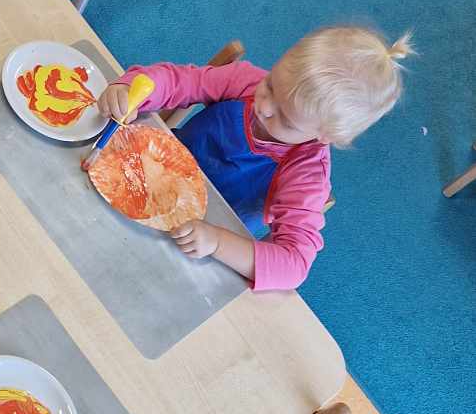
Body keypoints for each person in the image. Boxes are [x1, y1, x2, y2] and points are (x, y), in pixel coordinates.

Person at [99, 25, 413, 289]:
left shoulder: (307, 173)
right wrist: (131, 91)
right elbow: (182, 81)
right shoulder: (246, 81)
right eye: (271, 85)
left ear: (325, 136)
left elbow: (294, 265)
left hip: (197, 234)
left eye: (285, 118)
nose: (264, 106)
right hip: (146, 168)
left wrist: (218, 242)